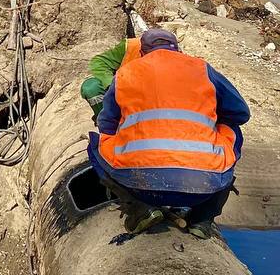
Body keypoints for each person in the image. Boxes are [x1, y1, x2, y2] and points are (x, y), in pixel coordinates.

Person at [88, 28, 249, 237]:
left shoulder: (126, 73)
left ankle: (140, 209)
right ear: (178, 50)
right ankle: (201, 219)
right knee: (231, 130)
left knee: (96, 143)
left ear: (143, 52)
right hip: (201, 189)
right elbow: (241, 114)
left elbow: (106, 124)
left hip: (141, 186)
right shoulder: (201, 68)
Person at [80, 36, 141, 119]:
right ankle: (106, 122)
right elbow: (99, 63)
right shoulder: (132, 46)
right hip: (124, 91)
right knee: (92, 88)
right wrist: (112, 84)